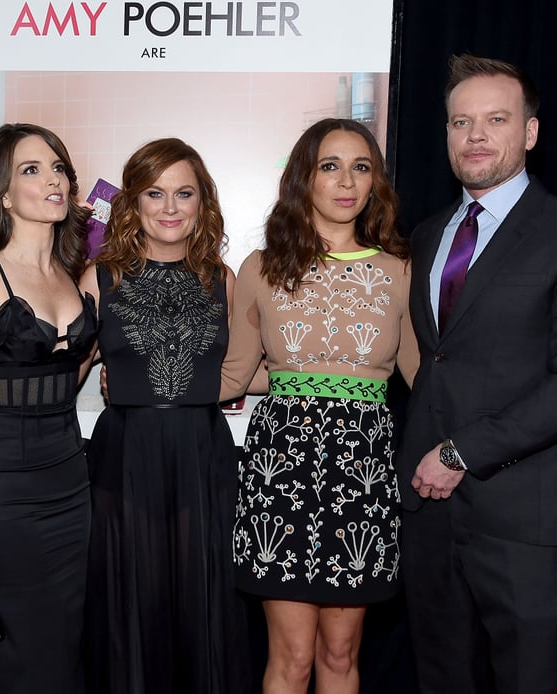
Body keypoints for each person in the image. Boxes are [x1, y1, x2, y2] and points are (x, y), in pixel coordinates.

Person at [398, 54, 557, 694]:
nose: (474, 136)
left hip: (530, 516)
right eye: (460, 121)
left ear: (528, 132)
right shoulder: (427, 235)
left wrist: (462, 451)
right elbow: (436, 362)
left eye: (495, 119)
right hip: (429, 513)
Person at [221, 118, 419, 694]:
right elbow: (237, 373)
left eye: (361, 167)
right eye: (329, 166)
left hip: (362, 475)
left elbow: (423, 378)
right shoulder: (263, 267)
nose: (346, 181)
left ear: (375, 181)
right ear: (303, 178)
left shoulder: (399, 271)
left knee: (339, 654)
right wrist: (144, 380)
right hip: (281, 473)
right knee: (293, 657)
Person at [81, 138, 251, 693]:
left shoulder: (222, 280)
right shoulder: (100, 277)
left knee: (202, 599)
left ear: (204, 202)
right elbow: (62, 367)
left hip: (202, 454)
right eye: (155, 193)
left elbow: (250, 367)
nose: (170, 207)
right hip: (125, 453)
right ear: (132, 203)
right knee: (132, 597)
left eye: (184, 193)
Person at [0, 123, 95, 693]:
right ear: (2, 192)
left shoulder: (70, 276)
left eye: (58, 168)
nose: (52, 179)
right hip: (2, 492)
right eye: (31, 170)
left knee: (63, 645)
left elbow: (64, 376)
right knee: (17, 655)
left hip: (71, 488)